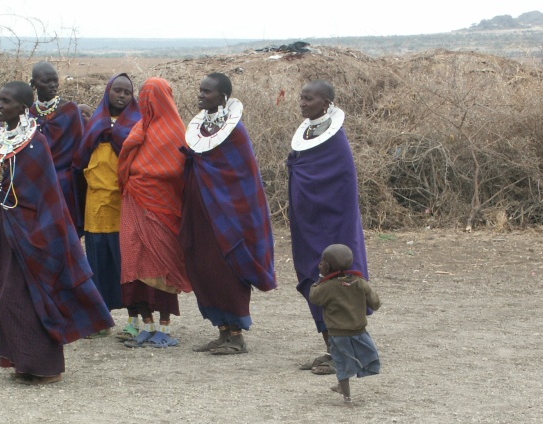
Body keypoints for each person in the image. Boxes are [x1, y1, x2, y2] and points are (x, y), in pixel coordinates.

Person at [0, 81, 114, 384]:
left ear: (22, 107)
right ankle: (21, 361)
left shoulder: (35, 143)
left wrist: (35, 228)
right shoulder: (1, 139)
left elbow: (45, 192)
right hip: (8, 226)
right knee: (8, 295)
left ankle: (45, 366)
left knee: (34, 295)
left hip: (35, 229)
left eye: (5, 101)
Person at [179, 72, 276, 355]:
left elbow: (242, 178)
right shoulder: (200, 130)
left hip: (228, 218)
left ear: (223, 97)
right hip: (201, 212)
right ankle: (222, 331)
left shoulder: (236, 133)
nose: (200, 95)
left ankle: (236, 334)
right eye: (200, 89)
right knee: (205, 267)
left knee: (226, 269)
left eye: (206, 91)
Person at [288, 80, 371, 375]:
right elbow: (303, 172)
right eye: (301, 97)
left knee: (338, 282)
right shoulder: (307, 135)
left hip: (335, 226)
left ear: (326, 104)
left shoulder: (336, 142)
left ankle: (347, 354)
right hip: (309, 224)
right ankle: (332, 349)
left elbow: (342, 184)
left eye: (309, 99)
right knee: (315, 279)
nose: (302, 103)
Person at [117, 77, 191, 348]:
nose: (147, 102)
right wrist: (136, 175)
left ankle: (164, 327)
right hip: (133, 203)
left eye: (153, 97)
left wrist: (144, 173)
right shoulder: (141, 127)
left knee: (162, 263)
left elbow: (174, 169)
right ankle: (145, 325)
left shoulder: (175, 130)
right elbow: (125, 160)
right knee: (134, 259)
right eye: (144, 97)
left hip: (161, 206)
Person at [72, 73, 140, 338]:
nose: (122, 96)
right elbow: (80, 161)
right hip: (96, 204)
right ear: (108, 92)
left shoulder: (137, 123)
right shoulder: (94, 123)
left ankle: (134, 318)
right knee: (97, 263)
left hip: (124, 202)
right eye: (117, 91)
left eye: (127, 92)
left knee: (126, 262)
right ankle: (100, 319)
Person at [309, 244, 381, 404]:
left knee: (341, 362)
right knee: (367, 355)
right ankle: (350, 383)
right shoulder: (360, 282)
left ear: (326, 266)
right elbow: (375, 303)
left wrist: (320, 277)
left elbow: (314, 297)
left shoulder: (327, 286)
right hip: (360, 332)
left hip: (338, 334)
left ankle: (346, 395)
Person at [30, 61, 85, 235]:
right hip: (37, 179)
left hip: (64, 179)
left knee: (66, 234)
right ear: (33, 84)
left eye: (55, 80)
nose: (53, 85)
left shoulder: (70, 110)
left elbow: (80, 147)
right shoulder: (28, 114)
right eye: (47, 81)